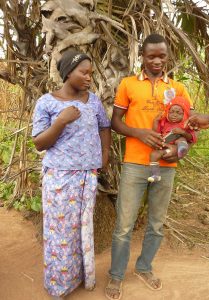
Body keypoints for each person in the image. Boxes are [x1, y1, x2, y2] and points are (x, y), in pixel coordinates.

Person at [105, 33, 194, 300]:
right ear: (141, 57)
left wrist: (177, 151)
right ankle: (116, 275)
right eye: (151, 56)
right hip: (134, 163)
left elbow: (188, 128)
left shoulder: (178, 89)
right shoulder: (128, 84)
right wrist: (139, 133)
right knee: (124, 224)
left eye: (162, 56)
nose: (156, 60)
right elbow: (115, 122)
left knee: (156, 223)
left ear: (168, 57)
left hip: (166, 166)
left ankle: (144, 267)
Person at [32, 49, 111, 300]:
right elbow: (39, 143)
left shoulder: (93, 101)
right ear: (68, 73)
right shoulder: (47, 102)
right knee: (60, 231)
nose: (89, 77)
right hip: (59, 178)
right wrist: (60, 122)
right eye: (83, 72)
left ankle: (80, 277)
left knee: (82, 229)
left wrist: (104, 156)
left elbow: (105, 127)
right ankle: (59, 285)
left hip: (87, 176)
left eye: (91, 73)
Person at [148, 96, 196, 183]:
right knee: (153, 155)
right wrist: (155, 121)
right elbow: (156, 133)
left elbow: (191, 138)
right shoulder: (164, 123)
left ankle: (182, 150)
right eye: (171, 112)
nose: (174, 115)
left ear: (184, 114)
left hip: (175, 147)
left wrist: (183, 132)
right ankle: (155, 174)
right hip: (166, 148)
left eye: (179, 113)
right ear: (167, 112)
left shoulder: (186, 125)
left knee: (181, 139)